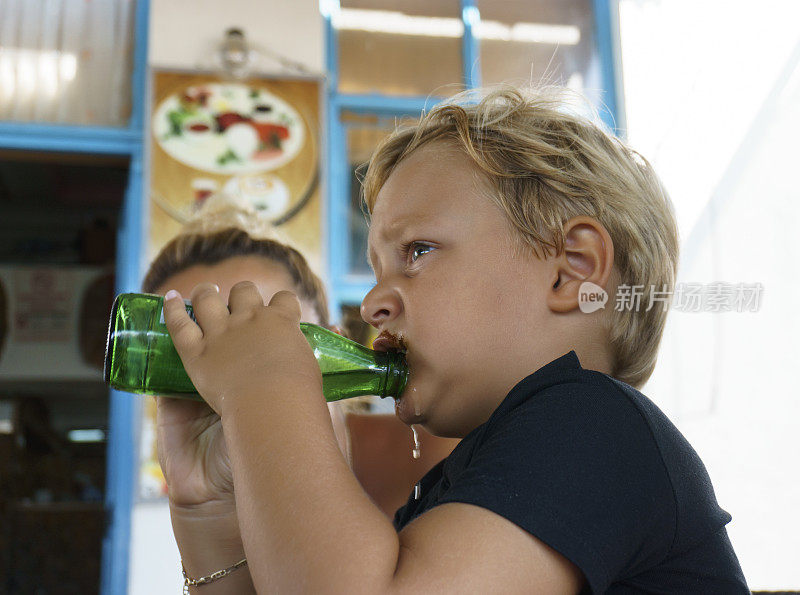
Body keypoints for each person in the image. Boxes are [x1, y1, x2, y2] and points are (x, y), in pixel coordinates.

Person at [162, 86, 749, 593]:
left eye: (416, 252)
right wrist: (207, 510)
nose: (373, 303)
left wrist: (268, 390)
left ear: (573, 269)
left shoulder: (595, 424)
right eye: (375, 271)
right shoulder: (472, 479)